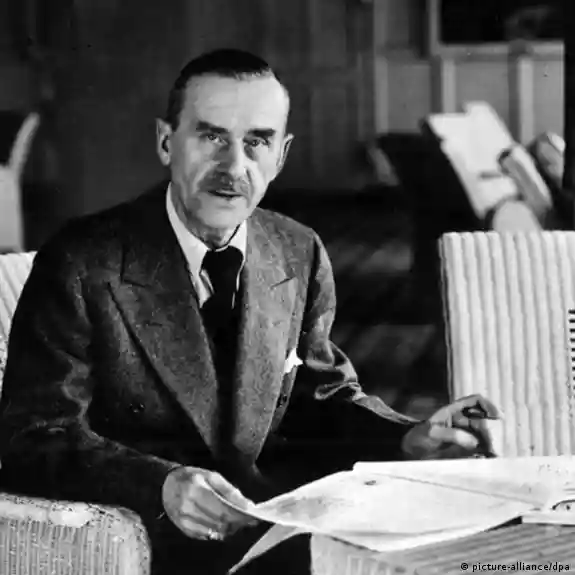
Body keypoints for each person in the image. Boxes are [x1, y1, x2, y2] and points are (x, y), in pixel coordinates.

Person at [0, 49, 500, 574]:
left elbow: (320, 396)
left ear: (280, 155)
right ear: (166, 142)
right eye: (211, 136)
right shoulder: (82, 261)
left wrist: (405, 435)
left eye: (257, 141)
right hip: (145, 542)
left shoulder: (298, 249)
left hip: (270, 520)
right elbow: (34, 435)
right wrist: (160, 485)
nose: (233, 166)